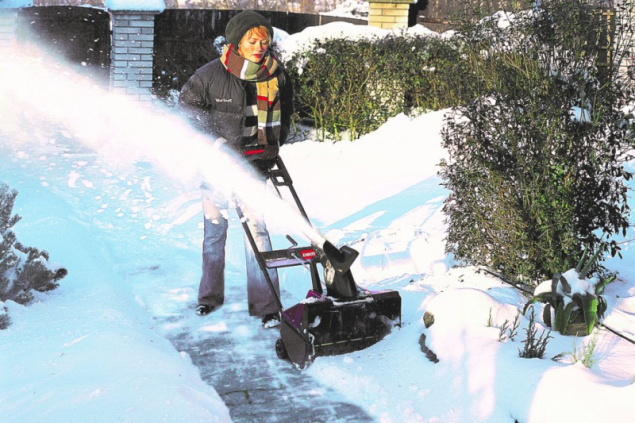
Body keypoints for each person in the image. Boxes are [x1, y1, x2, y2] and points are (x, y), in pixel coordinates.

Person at [179, 10, 294, 327]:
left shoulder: (275, 75)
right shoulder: (209, 75)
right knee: (215, 234)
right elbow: (188, 113)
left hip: (255, 165)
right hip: (216, 166)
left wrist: (275, 143)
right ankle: (209, 298)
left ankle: (266, 305)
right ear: (237, 42)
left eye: (264, 40)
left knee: (257, 233)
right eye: (253, 39)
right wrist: (215, 144)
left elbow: (285, 116)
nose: (260, 46)